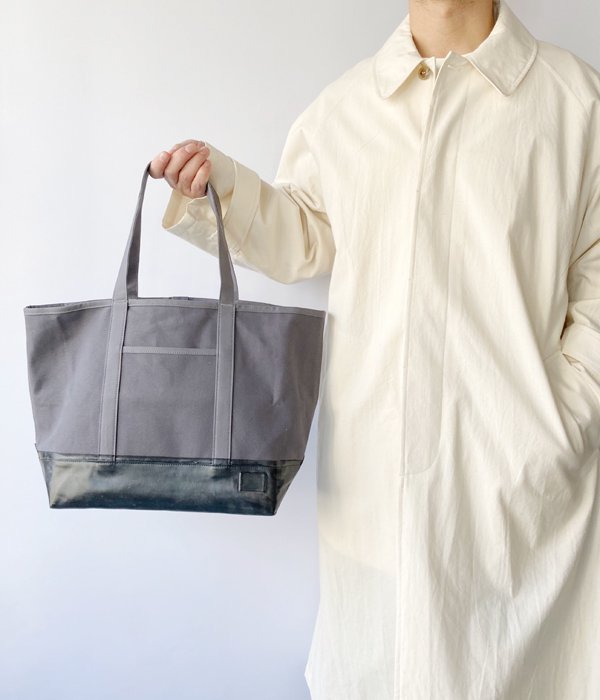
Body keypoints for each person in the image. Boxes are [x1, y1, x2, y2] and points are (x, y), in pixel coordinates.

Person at [149, 0, 600, 697]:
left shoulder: (575, 103)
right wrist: (221, 187)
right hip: (375, 476)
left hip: (525, 485)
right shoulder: (347, 107)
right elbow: (302, 234)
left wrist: (563, 418)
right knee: (379, 660)